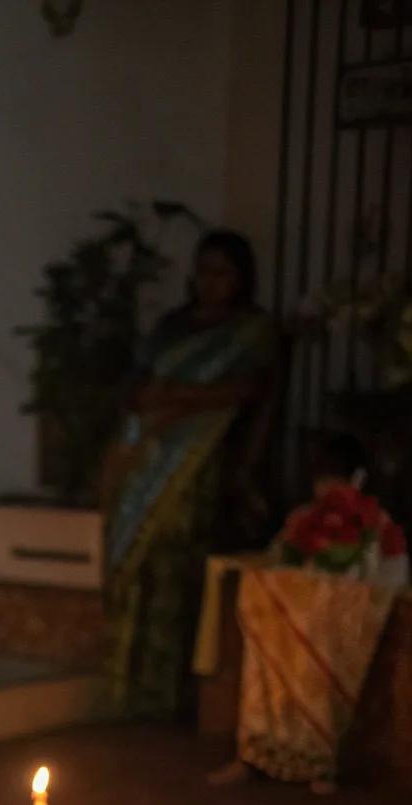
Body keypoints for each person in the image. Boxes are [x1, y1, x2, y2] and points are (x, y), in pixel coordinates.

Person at [102, 229, 278, 718]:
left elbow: (249, 391)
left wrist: (178, 400)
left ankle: (166, 696)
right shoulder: (171, 327)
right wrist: (147, 401)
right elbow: (135, 383)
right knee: (135, 567)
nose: (209, 282)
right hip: (145, 459)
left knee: (175, 569)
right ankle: (126, 689)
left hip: (195, 464)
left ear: (241, 278)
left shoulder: (250, 331)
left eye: (221, 272)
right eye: (202, 271)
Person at [211, 432, 408, 794]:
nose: (321, 478)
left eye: (327, 468)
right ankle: (255, 754)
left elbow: (383, 580)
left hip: (331, 623)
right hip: (291, 619)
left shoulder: (372, 522)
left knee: (318, 671)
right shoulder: (304, 518)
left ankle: (318, 762)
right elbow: (282, 560)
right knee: (265, 666)